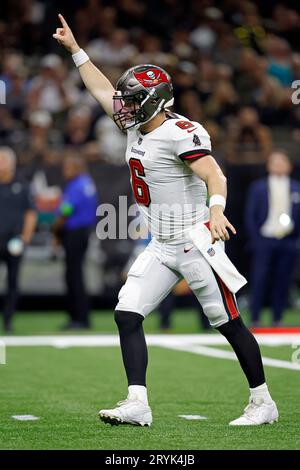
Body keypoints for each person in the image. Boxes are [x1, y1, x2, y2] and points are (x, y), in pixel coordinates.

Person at [53, 14, 279, 426]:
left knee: (227, 323)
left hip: (195, 239)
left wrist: (216, 213)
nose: (122, 106)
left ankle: (263, 402)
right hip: (161, 242)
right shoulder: (136, 126)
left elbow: (215, 174)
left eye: (132, 99)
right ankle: (137, 402)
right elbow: (103, 89)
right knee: (127, 313)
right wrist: (76, 51)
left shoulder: (182, 133)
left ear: (155, 100)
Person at [245, 150, 300, 327]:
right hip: (265, 239)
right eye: (275, 162)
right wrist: (256, 239)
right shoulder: (258, 187)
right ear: (268, 166)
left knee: (282, 281)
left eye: (282, 162)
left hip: (288, 240)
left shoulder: (296, 187)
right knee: (259, 279)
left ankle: (277, 318)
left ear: (289, 166)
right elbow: (250, 215)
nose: (278, 165)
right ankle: (255, 318)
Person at [53, 154, 98, 330]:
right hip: (83, 233)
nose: (64, 171)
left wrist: (55, 232)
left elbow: (65, 211)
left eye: (67, 167)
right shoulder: (87, 182)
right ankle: (79, 316)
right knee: (76, 274)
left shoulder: (76, 185)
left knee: (73, 276)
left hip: (74, 233)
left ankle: (78, 318)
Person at [0, 147, 37, 332]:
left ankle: (8, 319)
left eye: (3, 161)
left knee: (13, 281)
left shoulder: (22, 184)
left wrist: (26, 237)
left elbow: (31, 212)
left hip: (14, 240)